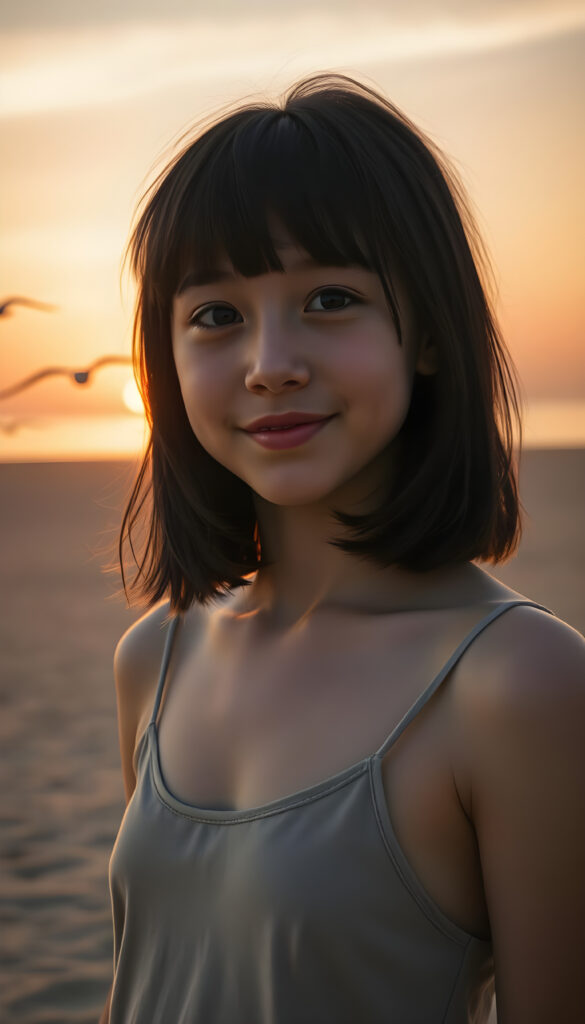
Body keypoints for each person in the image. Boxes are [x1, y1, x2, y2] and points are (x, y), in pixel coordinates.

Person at [101, 73, 585, 1023]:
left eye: (328, 297)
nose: (269, 362)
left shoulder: (520, 683)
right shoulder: (156, 657)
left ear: (431, 336)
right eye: (215, 314)